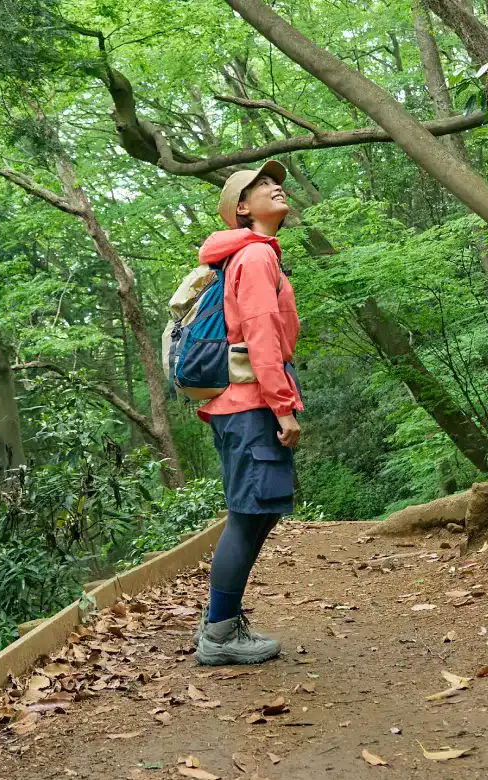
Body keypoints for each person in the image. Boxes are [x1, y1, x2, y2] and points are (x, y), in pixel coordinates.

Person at [194, 160, 303, 666]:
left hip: (242, 404)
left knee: (256, 514)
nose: (274, 186)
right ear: (242, 208)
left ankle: (222, 620)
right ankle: (219, 635)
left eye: (275, 181)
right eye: (261, 185)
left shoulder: (250, 257)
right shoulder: (255, 259)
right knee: (247, 516)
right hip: (252, 404)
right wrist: (284, 410)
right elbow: (261, 337)